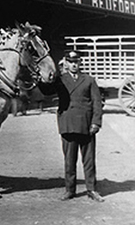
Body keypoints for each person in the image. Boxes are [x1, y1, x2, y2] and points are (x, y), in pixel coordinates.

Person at [40, 51, 104, 202]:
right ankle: (70, 190)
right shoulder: (60, 80)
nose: (74, 65)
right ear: (66, 64)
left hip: (86, 125)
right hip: (68, 124)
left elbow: (97, 102)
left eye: (76, 62)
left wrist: (96, 122)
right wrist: (41, 79)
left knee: (89, 161)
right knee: (69, 160)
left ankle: (92, 189)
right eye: (71, 62)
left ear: (80, 63)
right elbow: (47, 91)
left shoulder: (89, 80)